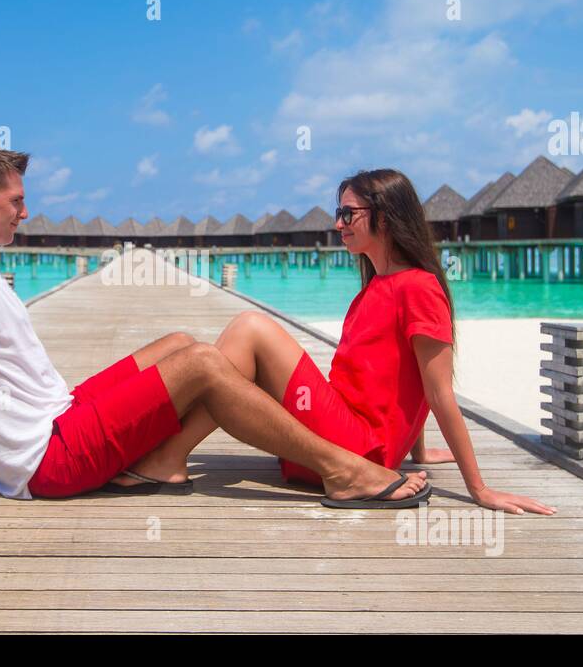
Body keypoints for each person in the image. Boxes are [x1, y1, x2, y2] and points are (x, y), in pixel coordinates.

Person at [0, 147, 428, 538]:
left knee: (177, 340)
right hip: (51, 459)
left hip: (61, 416)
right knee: (199, 362)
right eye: (15, 201)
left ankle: (164, 462)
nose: (25, 211)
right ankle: (343, 470)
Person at [106, 168, 557, 516]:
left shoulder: (419, 287)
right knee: (231, 366)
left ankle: (166, 453)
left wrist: (478, 488)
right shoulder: (375, 287)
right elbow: (404, 381)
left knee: (250, 328)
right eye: (338, 213)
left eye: (348, 214)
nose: (338, 223)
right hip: (340, 441)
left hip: (357, 451)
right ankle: (164, 453)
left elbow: (438, 391)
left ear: (387, 217)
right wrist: (416, 452)